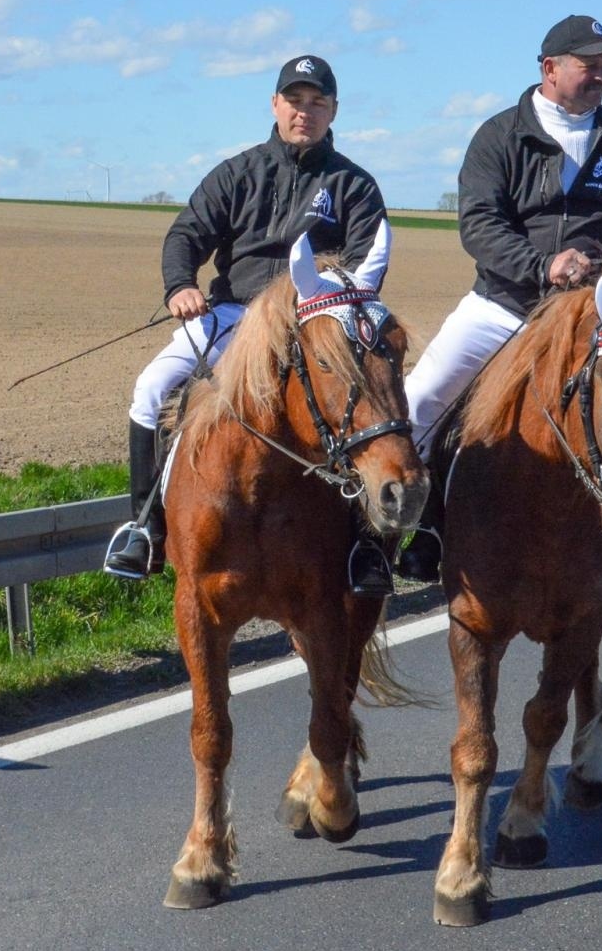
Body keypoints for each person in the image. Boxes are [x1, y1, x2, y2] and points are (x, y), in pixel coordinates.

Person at [394, 14, 602, 581]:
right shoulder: (498, 136)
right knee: (421, 400)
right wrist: (542, 267)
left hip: (599, 314)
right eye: (590, 64)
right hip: (504, 304)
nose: (601, 74)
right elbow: (478, 224)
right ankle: (419, 527)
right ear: (550, 68)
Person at [103, 54, 396, 595]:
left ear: (333, 111)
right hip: (232, 315)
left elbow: (365, 264)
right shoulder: (238, 172)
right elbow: (185, 235)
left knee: (365, 410)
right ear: (275, 104)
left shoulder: (355, 185)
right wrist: (181, 286)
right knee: (151, 390)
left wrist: (319, 305)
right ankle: (144, 528)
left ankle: (368, 548)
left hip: (316, 323)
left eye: (317, 103)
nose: (304, 112)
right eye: (294, 100)